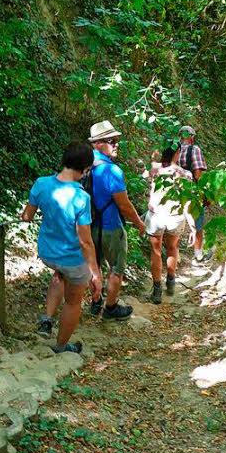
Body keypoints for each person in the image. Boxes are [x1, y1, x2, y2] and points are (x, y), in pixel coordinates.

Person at [21, 142, 102, 354]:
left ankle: (46, 320)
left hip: (48, 253)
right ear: (85, 169)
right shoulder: (81, 198)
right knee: (74, 301)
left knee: (59, 275)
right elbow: (85, 241)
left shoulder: (41, 184)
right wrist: (95, 272)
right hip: (71, 258)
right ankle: (61, 346)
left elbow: (26, 216)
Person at [88, 120, 146, 321]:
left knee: (94, 266)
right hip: (111, 226)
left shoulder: (84, 165)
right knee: (116, 268)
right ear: (97, 144)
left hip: (88, 226)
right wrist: (139, 223)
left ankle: (95, 302)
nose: (116, 144)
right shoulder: (112, 171)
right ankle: (111, 308)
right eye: (111, 140)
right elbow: (124, 205)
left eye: (116, 140)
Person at [144, 146, 196, 302]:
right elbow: (187, 201)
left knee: (156, 251)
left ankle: (157, 290)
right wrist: (192, 227)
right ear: (177, 153)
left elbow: (145, 176)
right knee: (173, 248)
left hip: (156, 216)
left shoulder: (154, 170)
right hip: (175, 216)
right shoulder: (185, 174)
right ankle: (171, 281)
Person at [176, 126, 209, 264]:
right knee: (197, 223)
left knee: (176, 223)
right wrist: (204, 193)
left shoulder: (174, 150)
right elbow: (198, 174)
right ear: (192, 137)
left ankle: (175, 256)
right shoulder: (194, 150)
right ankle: (198, 255)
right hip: (192, 191)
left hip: (175, 191)